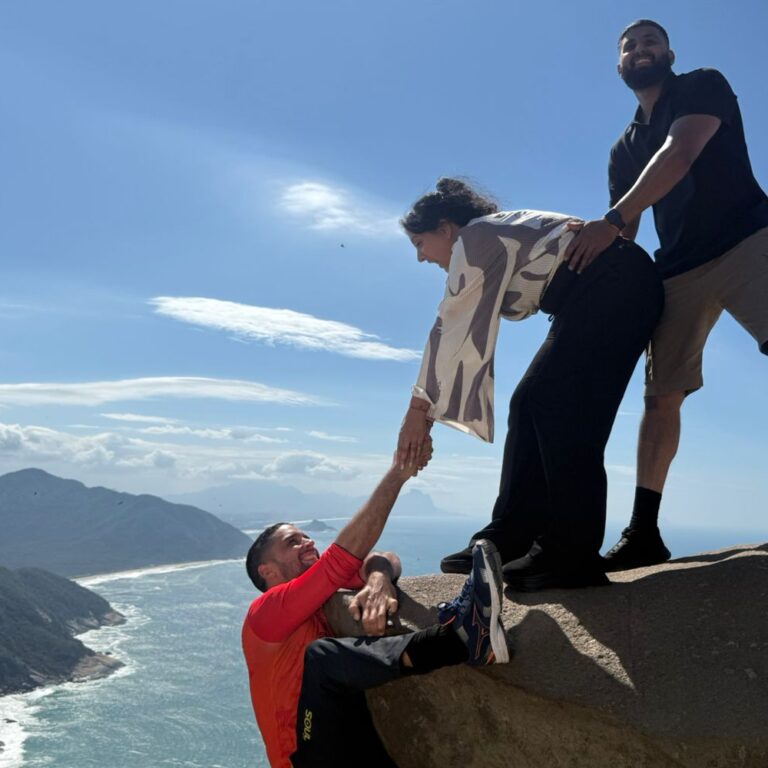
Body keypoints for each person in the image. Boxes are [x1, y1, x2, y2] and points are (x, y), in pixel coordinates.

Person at [566, 19, 768, 571]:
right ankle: (645, 532)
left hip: (750, 238)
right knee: (661, 398)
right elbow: (624, 236)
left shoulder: (703, 84)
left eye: (650, 41)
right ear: (620, 65)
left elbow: (680, 154)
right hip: (677, 269)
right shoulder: (623, 149)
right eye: (629, 45)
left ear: (669, 53)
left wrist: (610, 219)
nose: (640, 49)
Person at [397, 178, 664, 591]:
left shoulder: (475, 236)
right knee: (529, 402)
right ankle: (510, 537)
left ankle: (571, 553)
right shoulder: (487, 235)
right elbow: (456, 324)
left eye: (419, 243)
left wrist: (418, 413)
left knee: (554, 402)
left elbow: (448, 326)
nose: (419, 257)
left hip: (615, 284)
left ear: (446, 229)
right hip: (607, 288)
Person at [241, 454, 509, 768]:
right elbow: (340, 560)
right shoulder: (264, 614)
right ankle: (460, 639)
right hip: (301, 759)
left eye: (306, 536)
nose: (309, 542)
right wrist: (398, 473)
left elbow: (386, 558)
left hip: (338, 739)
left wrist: (379, 578)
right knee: (321, 659)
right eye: (293, 542)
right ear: (267, 571)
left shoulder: (314, 603)